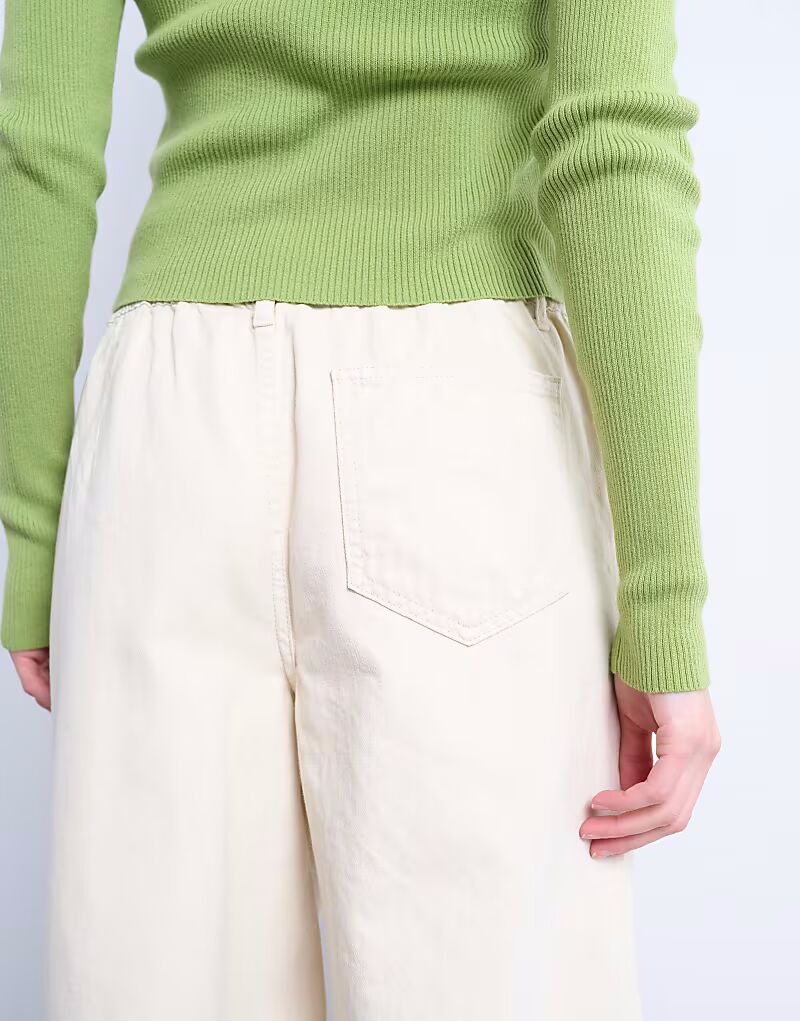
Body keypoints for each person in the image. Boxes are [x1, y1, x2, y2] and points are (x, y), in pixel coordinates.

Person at [0, 0, 721, 1017]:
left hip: (169, 419)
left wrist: (36, 535)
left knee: (160, 979)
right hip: (459, 409)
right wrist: (664, 601)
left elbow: (36, 148)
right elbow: (614, 136)